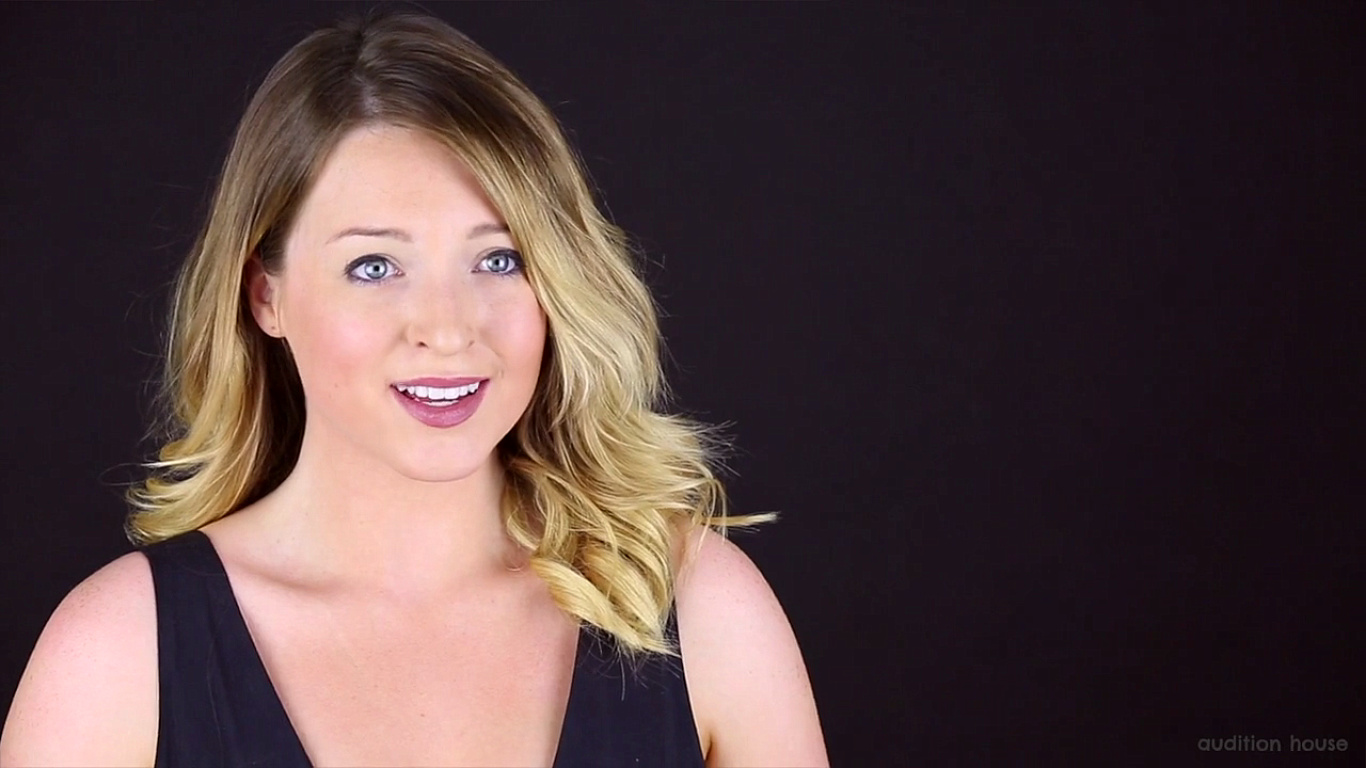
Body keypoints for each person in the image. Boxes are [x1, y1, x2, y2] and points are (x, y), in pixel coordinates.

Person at [0, 9, 827, 768]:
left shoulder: (701, 609)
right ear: (266, 296)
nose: (447, 328)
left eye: (498, 259)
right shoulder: (115, 658)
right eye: (374, 266)